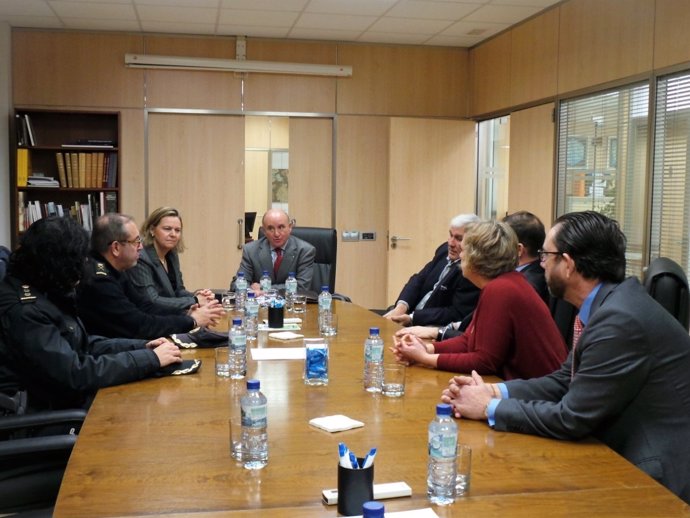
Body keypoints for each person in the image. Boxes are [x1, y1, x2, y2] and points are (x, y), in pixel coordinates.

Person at [442, 211, 690, 504]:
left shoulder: (619, 320)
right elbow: (565, 379)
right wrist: (495, 390)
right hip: (614, 452)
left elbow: (572, 417)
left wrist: (489, 407)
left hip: (651, 479)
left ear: (568, 265)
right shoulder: (609, 305)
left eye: (546, 255)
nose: (541, 264)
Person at [0, 216, 183, 412]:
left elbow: (81, 345)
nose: (84, 264)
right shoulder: (25, 310)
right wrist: (149, 359)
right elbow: (75, 373)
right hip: (43, 416)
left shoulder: (43, 288)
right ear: (58, 261)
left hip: (62, 401)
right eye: (79, 258)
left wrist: (143, 347)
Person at [391, 220, 567, 381]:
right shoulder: (501, 283)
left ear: (476, 256)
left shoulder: (501, 289)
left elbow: (485, 361)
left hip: (542, 393)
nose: (461, 255)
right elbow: (469, 340)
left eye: (464, 248)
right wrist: (426, 349)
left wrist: (425, 359)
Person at [397, 210, 549, 341]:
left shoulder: (509, 286)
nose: (461, 254)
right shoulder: (506, 281)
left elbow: (482, 349)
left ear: (517, 249)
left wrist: (431, 351)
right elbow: (472, 329)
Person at [77, 213, 223, 339]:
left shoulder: (114, 269)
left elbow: (145, 306)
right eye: (135, 241)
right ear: (116, 248)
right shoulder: (99, 280)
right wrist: (191, 321)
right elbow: (140, 325)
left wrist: (186, 313)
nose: (140, 247)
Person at [383, 214, 481, 327]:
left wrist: (412, 318)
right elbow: (419, 279)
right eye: (450, 235)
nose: (451, 243)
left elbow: (455, 313)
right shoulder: (444, 250)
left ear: (474, 242)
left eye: (458, 238)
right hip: (409, 314)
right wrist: (401, 307)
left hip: (429, 326)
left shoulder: (471, 270)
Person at [126, 207, 217, 314]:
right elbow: (152, 300)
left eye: (177, 230)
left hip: (169, 315)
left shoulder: (171, 254)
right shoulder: (141, 257)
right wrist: (195, 300)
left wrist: (198, 295)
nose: (173, 234)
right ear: (152, 230)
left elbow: (178, 291)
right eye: (167, 229)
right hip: (148, 320)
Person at [234, 208, 316, 292]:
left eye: (281, 227)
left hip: (292, 303)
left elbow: (302, 287)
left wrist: (265, 288)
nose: (276, 234)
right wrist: (250, 290)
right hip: (260, 304)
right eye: (270, 228)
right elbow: (237, 283)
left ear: (290, 227)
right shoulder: (250, 250)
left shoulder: (305, 250)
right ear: (264, 231)